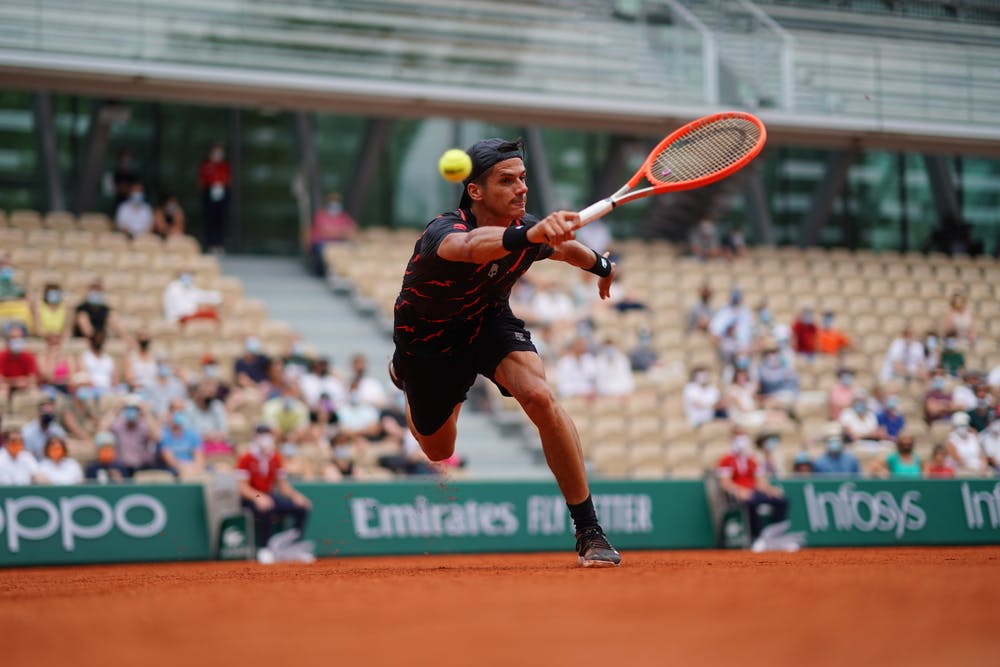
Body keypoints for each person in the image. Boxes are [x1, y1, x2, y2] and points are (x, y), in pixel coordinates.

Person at [388, 137, 621, 566]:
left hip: (487, 322)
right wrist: (530, 233)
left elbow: (566, 248)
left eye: (524, 179)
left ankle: (589, 530)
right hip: (429, 343)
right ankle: (402, 374)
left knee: (539, 397)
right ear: (475, 190)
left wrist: (602, 267)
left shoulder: (527, 229)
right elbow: (472, 248)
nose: (522, 188)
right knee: (439, 451)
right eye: (507, 180)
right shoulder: (444, 230)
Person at [237, 424, 313, 550]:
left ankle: (293, 544)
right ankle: (264, 548)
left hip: (268, 496)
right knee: (266, 508)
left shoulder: (276, 457)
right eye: (261, 435)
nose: (265, 439)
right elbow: (242, 488)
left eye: (267, 435)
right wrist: (258, 497)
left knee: (301, 508)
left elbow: (282, 485)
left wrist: (296, 496)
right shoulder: (246, 458)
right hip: (250, 498)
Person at [715, 427, 791, 548]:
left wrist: (770, 490)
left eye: (743, 439)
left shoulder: (752, 459)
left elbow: (760, 482)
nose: (742, 442)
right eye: (738, 439)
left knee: (782, 500)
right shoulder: (726, 460)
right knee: (751, 502)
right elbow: (725, 483)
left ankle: (775, 535)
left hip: (754, 492)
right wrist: (739, 491)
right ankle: (759, 537)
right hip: (738, 495)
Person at [102, 394, 163, 477]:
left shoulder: (144, 425)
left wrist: (146, 413)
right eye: (128, 408)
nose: (131, 411)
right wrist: (115, 410)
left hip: (142, 466)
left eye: (134, 408)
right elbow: (102, 429)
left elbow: (157, 437)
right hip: (122, 466)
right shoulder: (118, 424)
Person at [309, 192, 358, 276]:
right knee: (322, 251)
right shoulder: (320, 216)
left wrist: (335, 232)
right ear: (327, 203)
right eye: (332, 201)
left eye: (337, 202)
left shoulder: (343, 216)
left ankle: (344, 273)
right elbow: (326, 233)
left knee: (353, 248)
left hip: (340, 242)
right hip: (322, 242)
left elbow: (353, 231)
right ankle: (321, 273)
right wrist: (342, 232)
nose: (335, 204)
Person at [197, 142, 231, 254]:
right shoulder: (206, 165)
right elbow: (202, 180)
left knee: (220, 220)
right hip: (209, 195)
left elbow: (227, 179)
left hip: (221, 195)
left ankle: (219, 244)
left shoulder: (224, 166)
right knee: (210, 220)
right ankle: (210, 244)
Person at [158, 401, 204, 478]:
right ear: (169, 413)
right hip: (173, 471)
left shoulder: (192, 434)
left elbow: (199, 457)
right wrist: (184, 468)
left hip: (192, 468)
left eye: (181, 411)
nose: (178, 413)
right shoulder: (164, 434)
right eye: (175, 410)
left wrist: (196, 469)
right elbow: (169, 459)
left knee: (222, 467)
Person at [72, 278, 127, 342]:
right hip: (85, 341)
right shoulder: (81, 308)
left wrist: (126, 338)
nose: (96, 292)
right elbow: (86, 329)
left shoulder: (105, 309)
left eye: (98, 289)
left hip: (99, 341)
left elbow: (118, 326)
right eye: (94, 289)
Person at [0, 324, 39, 406]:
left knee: (33, 390)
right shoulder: (2, 356)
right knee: (3, 390)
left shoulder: (28, 356)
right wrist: (15, 382)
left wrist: (23, 382)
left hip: (23, 386)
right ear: (8, 340)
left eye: (19, 338)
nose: (16, 340)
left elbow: (32, 379)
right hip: (6, 386)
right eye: (13, 338)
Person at [946, 411, 987, 475]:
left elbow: (982, 455)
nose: (962, 428)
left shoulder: (973, 436)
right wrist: (973, 470)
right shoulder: (951, 439)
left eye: (964, 425)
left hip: (978, 468)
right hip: (962, 469)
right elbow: (957, 460)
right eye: (959, 426)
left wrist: (983, 466)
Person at [78, 333, 118, 398]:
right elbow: (84, 376)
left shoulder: (108, 359)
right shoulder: (85, 357)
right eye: (96, 340)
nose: (98, 342)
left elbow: (115, 378)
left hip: (107, 389)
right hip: (90, 389)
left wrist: (111, 388)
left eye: (100, 340)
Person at [0, 254, 32, 332]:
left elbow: (27, 296)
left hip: (18, 313)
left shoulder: (16, 283)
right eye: (5, 266)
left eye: (10, 266)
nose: (7, 269)